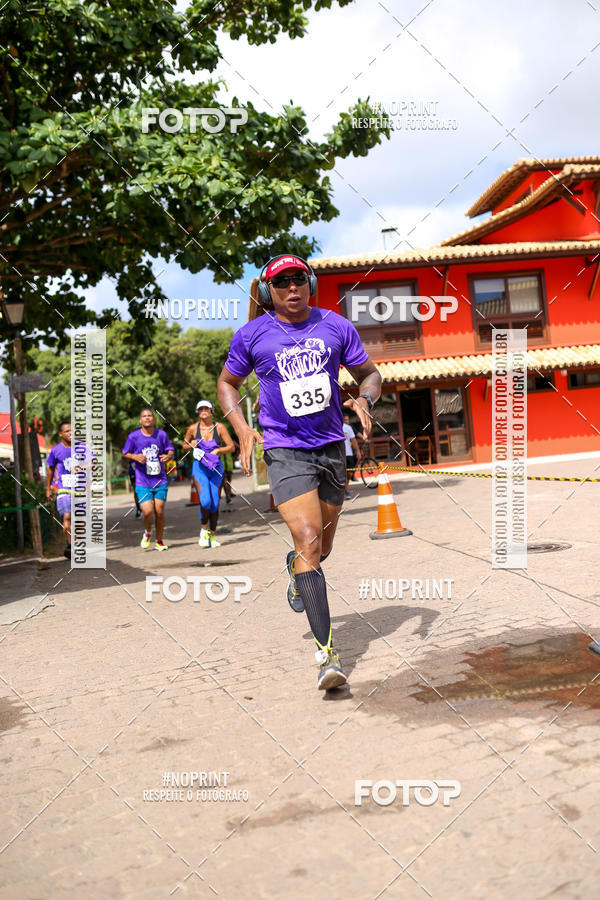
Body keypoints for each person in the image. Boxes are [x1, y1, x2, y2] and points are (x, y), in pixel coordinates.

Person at [217, 253, 381, 691]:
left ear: (310, 283)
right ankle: (328, 656)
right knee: (308, 538)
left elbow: (369, 373)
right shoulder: (252, 335)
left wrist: (365, 400)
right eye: (281, 281)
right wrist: (241, 427)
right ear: (269, 289)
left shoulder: (335, 326)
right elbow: (227, 383)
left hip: (331, 449)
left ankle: (296, 569)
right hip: (285, 452)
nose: (291, 287)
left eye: (298, 279)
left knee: (321, 548)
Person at [182, 401, 235, 548]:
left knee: (215, 504)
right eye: (201, 409)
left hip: (216, 469)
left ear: (211, 411)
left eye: (206, 408)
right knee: (205, 501)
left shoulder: (220, 428)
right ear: (197, 412)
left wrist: (219, 450)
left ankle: (212, 535)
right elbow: (184, 445)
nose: (204, 411)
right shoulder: (193, 428)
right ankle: (203, 531)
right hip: (200, 469)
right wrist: (190, 444)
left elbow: (231, 447)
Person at [122, 408, 174, 550]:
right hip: (142, 481)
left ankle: (159, 541)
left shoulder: (161, 435)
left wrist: (168, 456)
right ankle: (147, 532)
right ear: (140, 420)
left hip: (160, 480)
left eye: (150, 416)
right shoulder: (133, 437)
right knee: (148, 511)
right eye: (144, 416)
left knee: (160, 511)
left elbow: (170, 450)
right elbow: (125, 453)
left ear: (153, 419)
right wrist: (134, 456)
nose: (147, 418)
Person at [45, 422, 74, 559]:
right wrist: (48, 488)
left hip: (80, 489)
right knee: (67, 517)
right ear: (61, 434)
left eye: (72, 431)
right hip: (64, 488)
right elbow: (50, 470)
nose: (70, 433)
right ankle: (70, 545)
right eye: (67, 431)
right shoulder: (56, 450)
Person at [343, 413, 362, 498]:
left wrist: (357, 451)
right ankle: (346, 491)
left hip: (349, 454)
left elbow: (353, 440)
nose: (346, 421)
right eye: (345, 420)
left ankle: (345, 488)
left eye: (347, 420)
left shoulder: (348, 428)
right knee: (341, 474)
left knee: (349, 473)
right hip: (339, 455)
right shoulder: (334, 427)